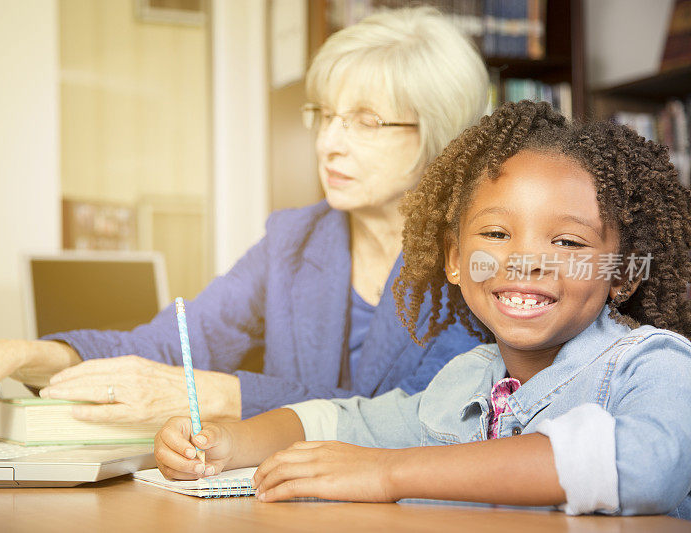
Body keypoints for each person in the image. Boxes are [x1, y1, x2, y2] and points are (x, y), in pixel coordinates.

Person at [0, 7, 489, 424]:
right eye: (325, 114)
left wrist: (217, 395)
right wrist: (16, 355)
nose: (329, 143)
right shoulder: (293, 239)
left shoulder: (480, 255)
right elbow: (169, 347)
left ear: (439, 135)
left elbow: (420, 416)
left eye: (365, 120)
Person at [153, 100, 691, 518]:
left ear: (621, 273)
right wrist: (229, 441)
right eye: (497, 233)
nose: (525, 261)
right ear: (455, 261)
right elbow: (345, 423)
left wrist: (390, 473)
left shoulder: (656, 366)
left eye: (568, 243)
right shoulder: (467, 382)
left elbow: (638, 465)